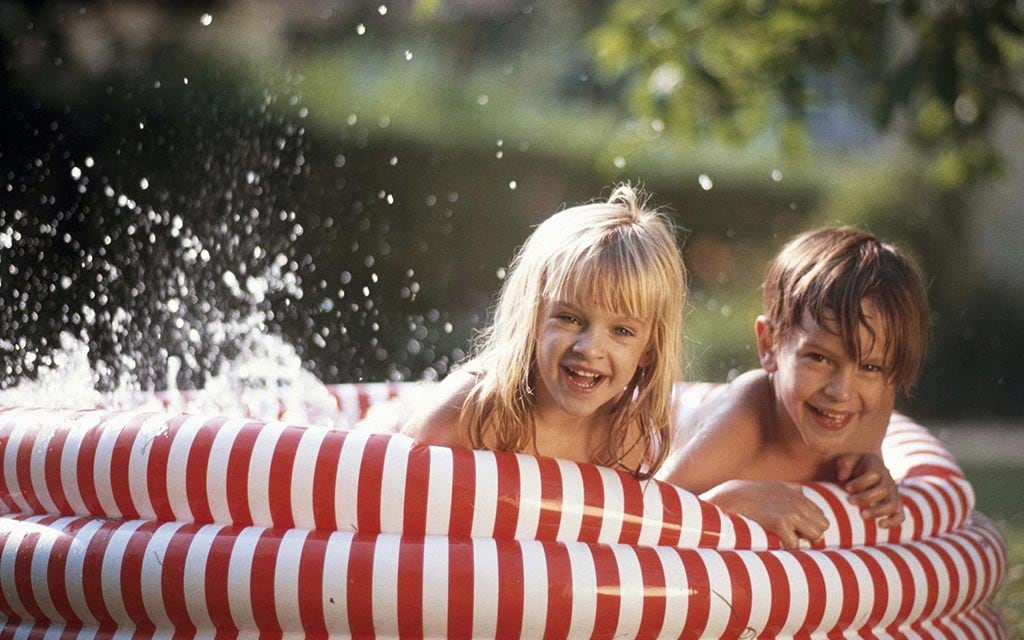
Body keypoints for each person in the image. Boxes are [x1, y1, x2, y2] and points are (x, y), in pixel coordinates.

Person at [659, 226, 931, 547]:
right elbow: (650, 510)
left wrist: (872, 468)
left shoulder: (868, 413)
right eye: (819, 358)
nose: (841, 391)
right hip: (671, 423)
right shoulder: (743, 423)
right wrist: (730, 499)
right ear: (769, 345)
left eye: (870, 367)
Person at [403, 184, 686, 479]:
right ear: (533, 317)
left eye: (622, 331)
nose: (589, 349)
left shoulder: (625, 438)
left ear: (649, 350)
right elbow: (389, 489)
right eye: (569, 318)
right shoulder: (469, 414)